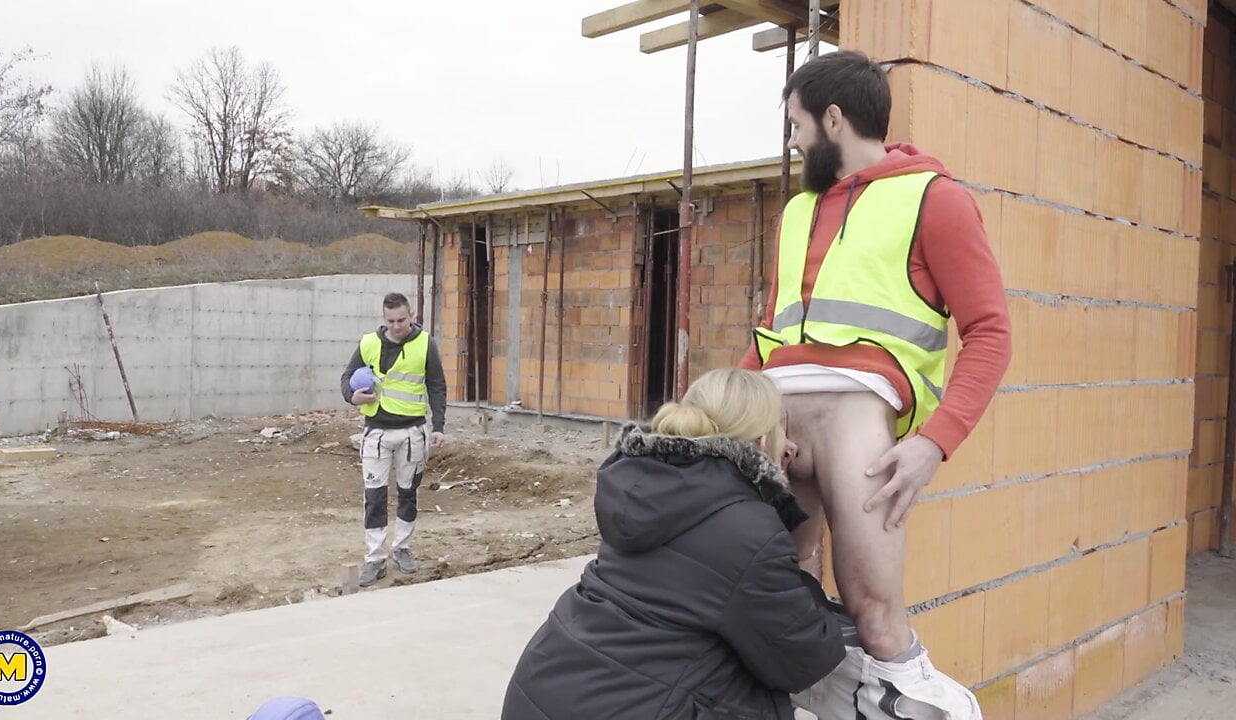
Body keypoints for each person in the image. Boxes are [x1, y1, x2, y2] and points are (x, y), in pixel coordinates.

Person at [739, 51, 1009, 718]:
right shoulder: (796, 212)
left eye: (797, 125)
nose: (793, 141)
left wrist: (933, 444)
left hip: (854, 423)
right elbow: (770, 332)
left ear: (833, 119)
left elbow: (990, 333)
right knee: (772, 604)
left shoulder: (935, 199)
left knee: (876, 614)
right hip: (775, 421)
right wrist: (722, 414)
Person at [501, 368, 845, 720]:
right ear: (761, 442)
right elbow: (805, 658)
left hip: (541, 691)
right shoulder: (747, 529)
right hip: (617, 709)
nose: (790, 446)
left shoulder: (642, 484)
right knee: (759, 690)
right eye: (782, 429)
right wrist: (798, 519)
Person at [340, 292, 448, 585]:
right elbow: (346, 377)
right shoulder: (368, 343)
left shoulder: (425, 344)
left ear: (411, 316)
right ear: (383, 319)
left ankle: (402, 548)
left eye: (402, 320)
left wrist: (438, 426)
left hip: (413, 431)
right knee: (374, 496)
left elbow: (437, 386)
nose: (397, 326)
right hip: (376, 430)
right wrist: (352, 396)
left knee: (408, 492)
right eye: (391, 321)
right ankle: (375, 558)